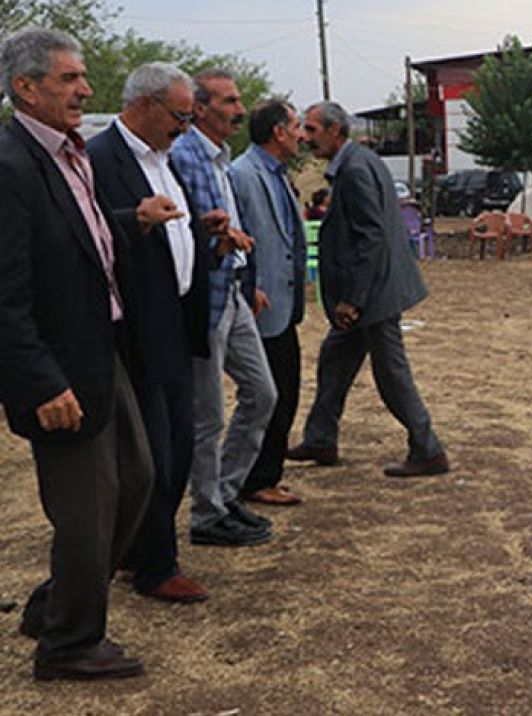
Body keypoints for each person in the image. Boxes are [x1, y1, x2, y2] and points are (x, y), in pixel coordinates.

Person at [0, 27, 154, 681]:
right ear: (25, 88)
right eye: (68, 79)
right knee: (86, 512)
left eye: (82, 77)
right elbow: (4, 292)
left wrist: (129, 219)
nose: (85, 89)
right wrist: (38, 381)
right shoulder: (9, 166)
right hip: (58, 372)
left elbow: (73, 241)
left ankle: (56, 604)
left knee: (139, 478)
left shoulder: (69, 153)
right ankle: (68, 645)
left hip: (99, 349)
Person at [88, 62, 214, 604]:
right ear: (143, 105)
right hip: (136, 331)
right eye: (180, 116)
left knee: (179, 447)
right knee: (154, 456)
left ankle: (140, 549)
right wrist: (133, 218)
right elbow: (83, 235)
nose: (185, 127)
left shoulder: (166, 159)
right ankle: (155, 566)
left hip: (176, 324)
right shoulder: (99, 160)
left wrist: (203, 235)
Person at [286, 101, 449, 477]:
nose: (305, 138)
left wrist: (352, 300)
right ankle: (321, 438)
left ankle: (428, 449)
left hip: (373, 293)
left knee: (391, 373)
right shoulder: (359, 160)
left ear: (335, 132)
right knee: (334, 359)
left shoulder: (355, 169)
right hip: (375, 288)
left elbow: (370, 238)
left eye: (312, 130)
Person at [170, 69, 277, 546]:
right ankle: (207, 515)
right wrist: (217, 239)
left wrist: (243, 276)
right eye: (229, 101)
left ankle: (225, 492)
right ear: (199, 107)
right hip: (206, 298)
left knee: (262, 393)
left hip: (232, 289)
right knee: (208, 414)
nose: (238, 110)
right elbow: (184, 226)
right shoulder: (184, 155)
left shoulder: (219, 157)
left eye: (238, 101)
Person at [231, 100, 309, 506]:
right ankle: (253, 479)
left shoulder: (276, 174)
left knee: (286, 390)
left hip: (282, 305)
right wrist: (249, 286)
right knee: (267, 394)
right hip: (260, 308)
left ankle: (263, 473)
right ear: (278, 132)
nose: (302, 135)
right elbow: (237, 236)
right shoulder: (244, 175)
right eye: (296, 126)